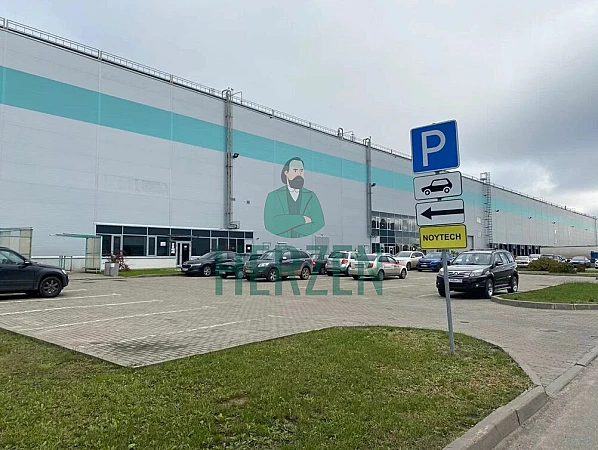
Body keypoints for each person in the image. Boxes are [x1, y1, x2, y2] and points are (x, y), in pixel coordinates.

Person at [264, 157, 325, 238]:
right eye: (295, 170)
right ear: (286, 172)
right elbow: (270, 224)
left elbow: (319, 223)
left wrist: (285, 224)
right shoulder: (273, 196)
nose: (299, 174)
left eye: (301, 171)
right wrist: (302, 219)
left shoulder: (311, 196)